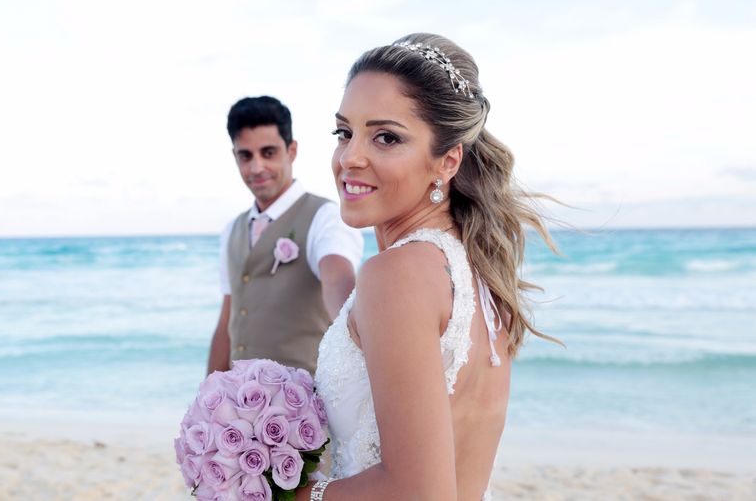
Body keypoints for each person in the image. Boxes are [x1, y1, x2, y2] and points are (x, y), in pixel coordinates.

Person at [301, 34, 559, 500]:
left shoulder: (396, 274)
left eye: (385, 137)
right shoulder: (476, 272)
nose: (349, 157)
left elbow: (418, 492)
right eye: (344, 132)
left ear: (448, 160)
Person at [207, 96, 363, 376]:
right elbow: (227, 321)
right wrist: (205, 403)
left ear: (291, 151)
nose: (256, 168)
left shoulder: (325, 217)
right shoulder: (232, 229)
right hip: (240, 410)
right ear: (235, 156)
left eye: (268, 153)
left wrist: (364, 348)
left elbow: (338, 279)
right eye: (246, 155)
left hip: (307, 409)